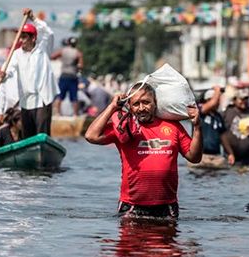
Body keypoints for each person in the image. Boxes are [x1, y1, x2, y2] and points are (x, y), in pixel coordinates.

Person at [85, 82, 202, 219]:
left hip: (166, 206)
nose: (141, 108)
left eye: (146, 102)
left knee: (167, 241)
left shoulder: (173, 127)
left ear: (155, 103)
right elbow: (91, 136)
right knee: (130, 241)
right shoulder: (124, 128)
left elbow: (194, 157)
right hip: (132, 206)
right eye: (136, 104)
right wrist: (112, 107)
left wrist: (197, 127)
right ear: (129, 105)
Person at [0, 10, 59, 138]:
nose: (22, 40)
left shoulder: (43, 49)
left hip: (42, 99)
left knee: (42, 135)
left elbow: (48, 32)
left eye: (25, 37)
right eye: (21, 37)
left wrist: (33, 18)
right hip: (26, 101)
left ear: (33, 38)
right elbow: (9, 69)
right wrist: (4, 75)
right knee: (27, 136)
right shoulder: (16, 54)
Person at [188, 85, 235, 169]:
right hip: (200, 157)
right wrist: (217, 90)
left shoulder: (218, 116)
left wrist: (230, 153)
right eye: (216, 99)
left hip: (216, 157)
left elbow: (223, 136)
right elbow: (213, 103)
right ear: (207, 100)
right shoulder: (199, 111)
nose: (218, 102)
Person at [51, 37, 84, 116]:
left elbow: (52, 56)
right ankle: (75, 114)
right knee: (74, 97)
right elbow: (81, 66)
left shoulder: (63, 51)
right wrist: (76, 65)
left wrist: (62, 59)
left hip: (64, 75)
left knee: (60, 96)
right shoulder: (78, 53)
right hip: (72, 76)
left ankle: (57, 113)